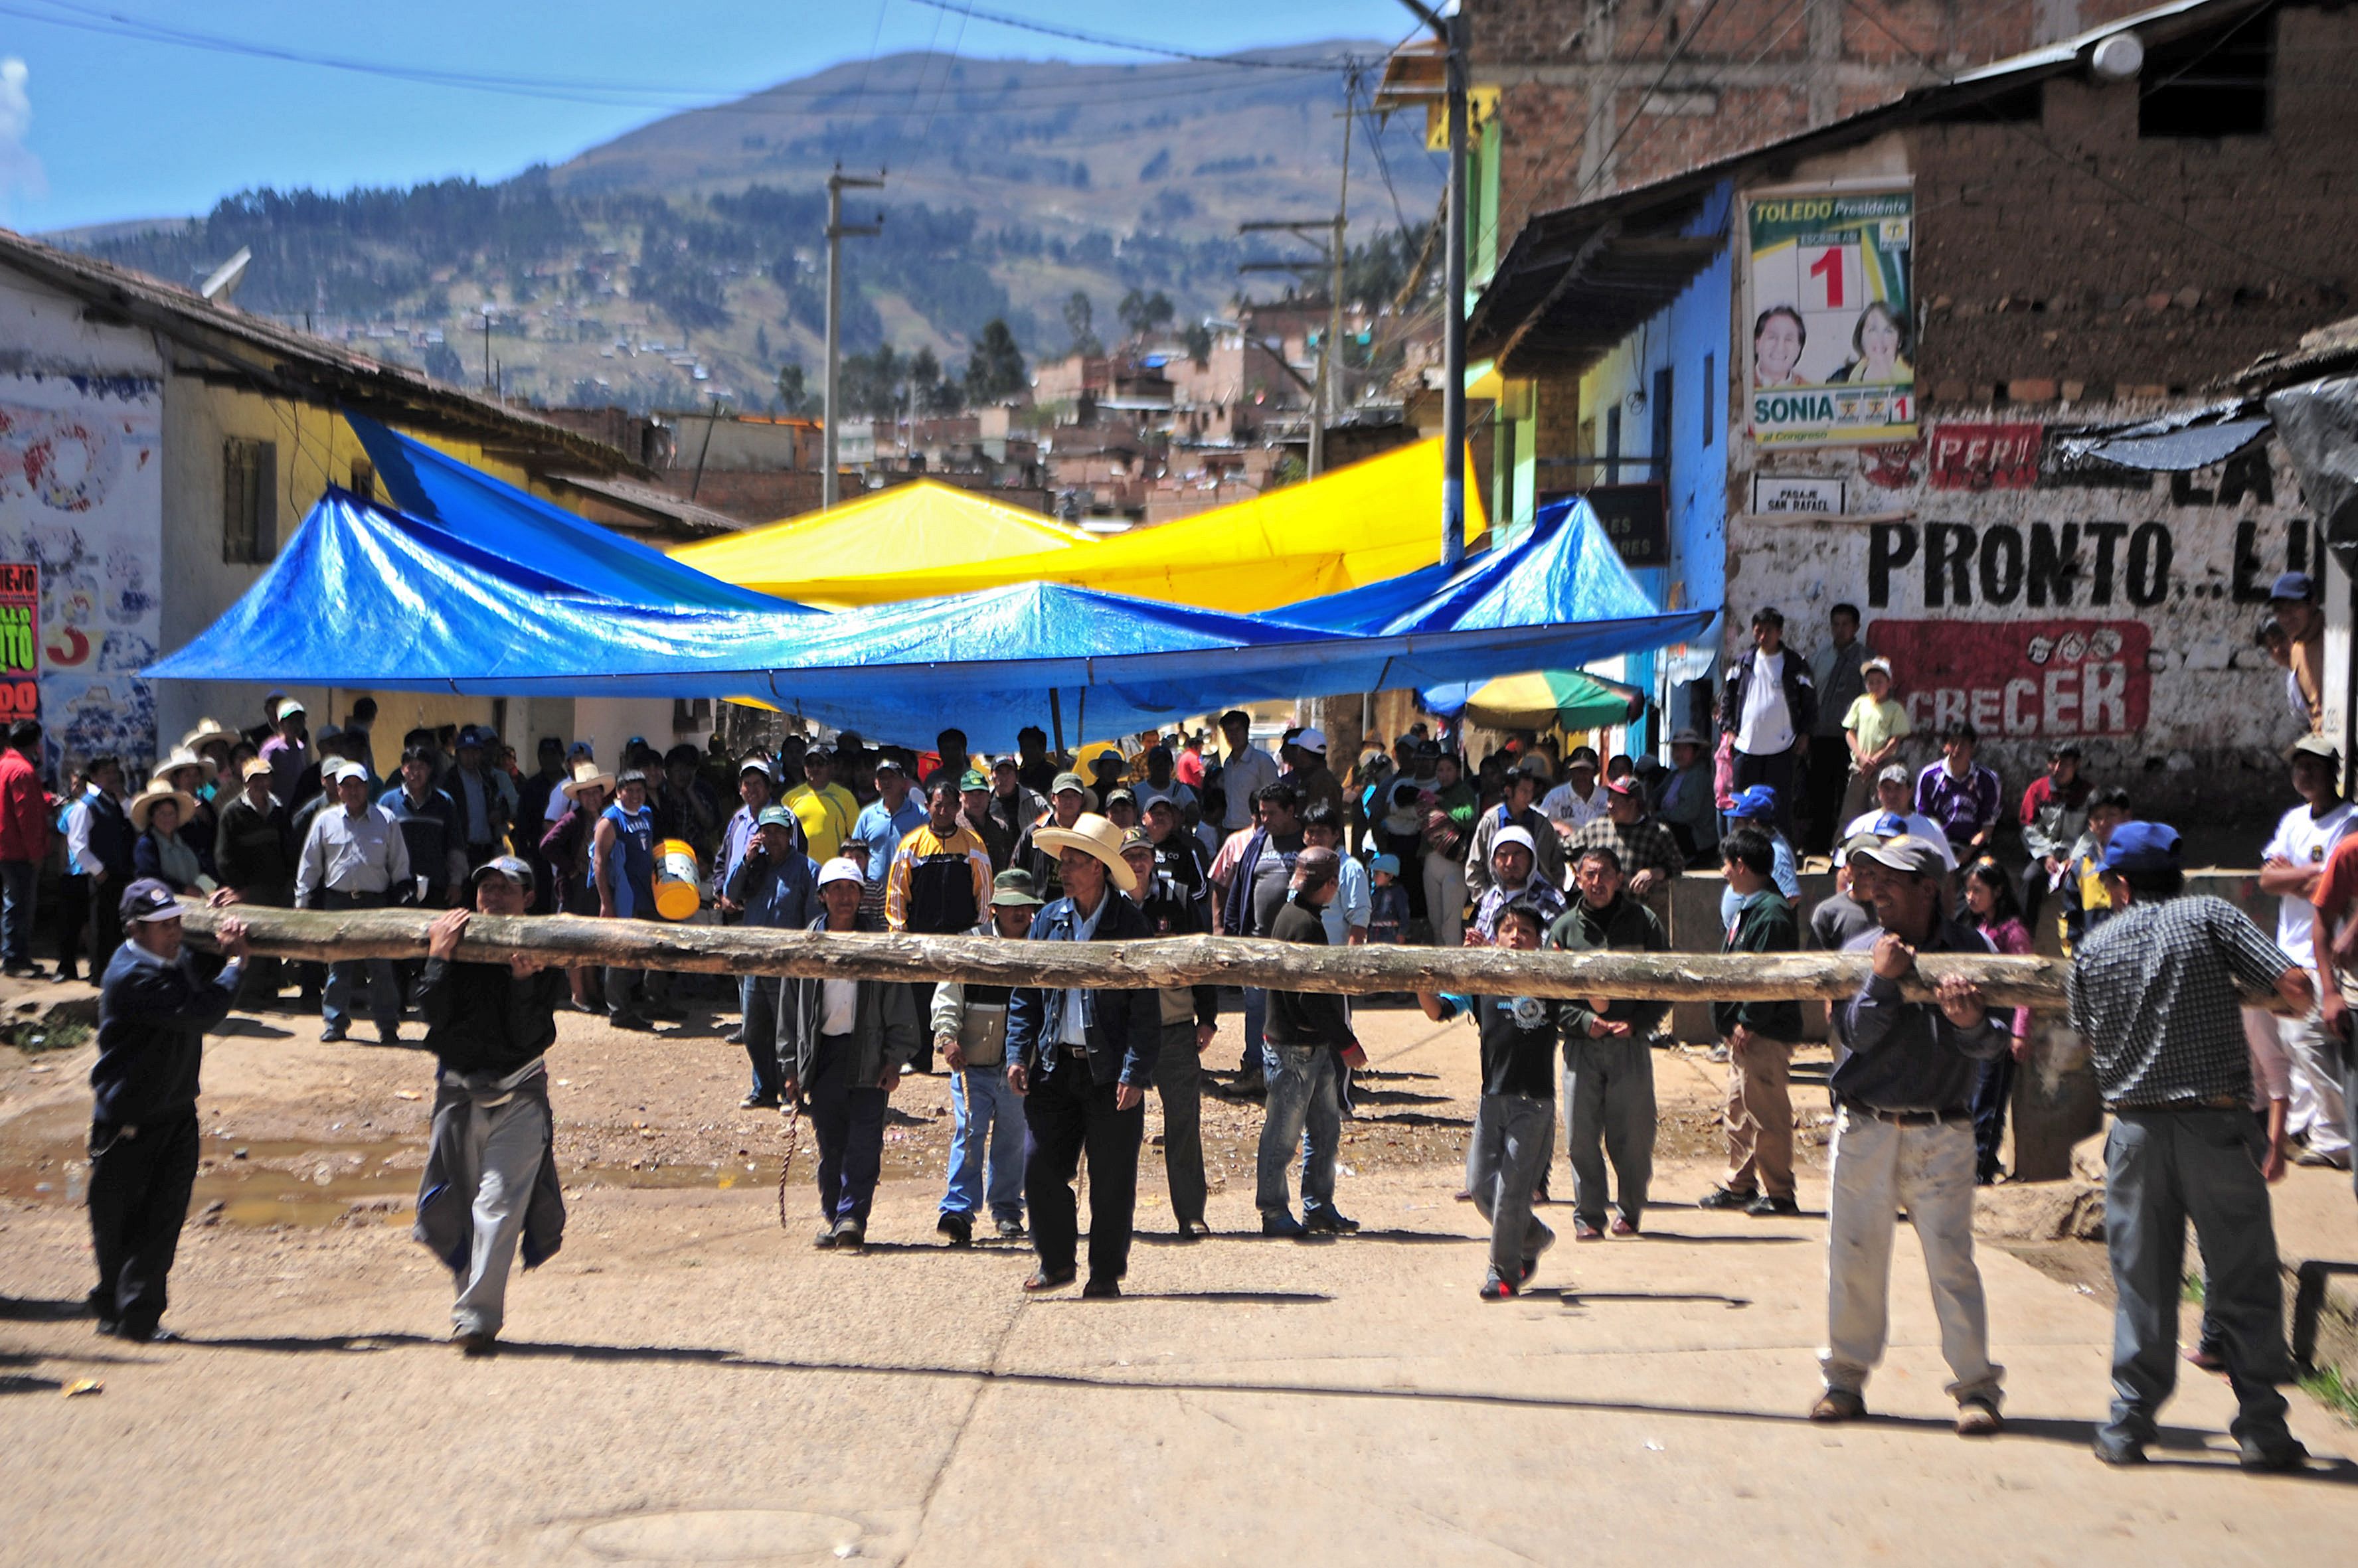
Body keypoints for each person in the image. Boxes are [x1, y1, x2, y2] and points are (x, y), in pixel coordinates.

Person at [2066, 821, 2313, 1470]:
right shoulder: (2208, 914)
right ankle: (2260, 1425)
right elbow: (2290, 984)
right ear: (2173, 874)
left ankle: (2128, 1422)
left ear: (2119, 886)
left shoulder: (2093, 946)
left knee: (2141, 1280)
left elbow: (2086, 1037)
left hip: (2133, 1131)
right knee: (2240, 1275)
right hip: (2215, 1121)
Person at [1813, 835, 2009, 1435]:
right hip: (1866, 1122)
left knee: (1951, 1261)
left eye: (1893, 880)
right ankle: (1844, 1380)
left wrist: (1971, 1021)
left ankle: (1975, 1388)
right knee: (1853, 1257)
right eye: (1873, 879)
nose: (1878, 890)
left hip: (1940, 1127)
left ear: (1929, 889)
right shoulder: (1859, 950)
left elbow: (1993, 1044)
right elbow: (1855, 1035)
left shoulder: (1972, 951)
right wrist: (1880, 983)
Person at [410, 857, 568, 1355]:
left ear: (529, 898)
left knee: (496, 1205)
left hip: (519, 1095)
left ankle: (476, 1318)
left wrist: (523, 984)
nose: (493, 898)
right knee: (458, 1209)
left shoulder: (546, 955)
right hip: (457, 1094)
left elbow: (529, 1036)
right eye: (486, 888)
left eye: (505, 889)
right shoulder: (451, 941)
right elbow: (430, 1014)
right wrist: (438, 958)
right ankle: (469, 1307)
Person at [86, 880, 250, 1340]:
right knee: (119, 1219)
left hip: (175, 1110)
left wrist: (221, 923)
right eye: (163, 926)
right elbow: (199, 1010)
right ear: (135, 930)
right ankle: (117, 1311)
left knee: (161, 1220)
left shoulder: (163, 958)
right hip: (129, 1120)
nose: (175, 932)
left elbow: (194, 973)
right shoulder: (131, 974)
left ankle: (134, 1316)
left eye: (178, 921)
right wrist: (237, 962)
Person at [1005, 815, 1161, 1296]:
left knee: (1112, 1178)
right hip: (1054, 1065)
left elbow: (1144, 1010)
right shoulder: (1049, 920)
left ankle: (1104, 1273)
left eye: (1073, 863)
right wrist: (1017, 1051)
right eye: (1063, 863)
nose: (1063, 872)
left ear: (1098, 868)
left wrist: (1135, 1072)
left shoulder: (1128, 925)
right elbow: (1025, 994)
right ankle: (1055, 1262)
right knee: (1039, 1167)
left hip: (1110, 1071)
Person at [1418, 900, 1568, 1298]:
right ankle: (1533, 1238)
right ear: (1495, 937)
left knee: (1512, 1192)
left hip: (1535, 1103)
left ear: (1539, 942)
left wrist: (1568, 967)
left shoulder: (1551, 982)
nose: (1516, 937)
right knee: (1481, 1187)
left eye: (1526, 932)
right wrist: (1420, 980)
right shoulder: (1482, 981)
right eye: (1508, 930)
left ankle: (1501, 1273)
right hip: (1492, 1099)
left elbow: (1597, 1003)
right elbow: (1437, 1010)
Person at [781, 858, 920, 1252]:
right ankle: (836, 1214)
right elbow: (789, 1011)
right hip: (822, 1054)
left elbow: (899, 1004)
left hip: (869, 1053)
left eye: (852, 889)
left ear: (862, 896)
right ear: (822, 896)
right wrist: (790, 1066)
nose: (844, 897)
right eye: (836, 889)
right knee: (830, 1142)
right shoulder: (805, 944)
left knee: (864, 1141)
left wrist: (895, 1059)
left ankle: (852, 1218)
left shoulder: (879, 945)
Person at [1547, 844, 1671, 1239]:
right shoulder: (1564, 929)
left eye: (1604, 874)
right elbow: (1549, 994)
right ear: (1578, 878)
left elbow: (1665, 984)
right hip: (1581, 1048)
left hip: (1629, 1046)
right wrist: (1583, 1021)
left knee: (1633, 1136)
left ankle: (1631, 1211)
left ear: (1619, 879)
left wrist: (1637, 1024)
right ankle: (1588, 1216)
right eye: (1589, 874)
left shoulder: (1644, 922)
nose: (1596, 882)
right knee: (1580, 1137)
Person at [2256, 734, 2355, 1169]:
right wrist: (2317, 872)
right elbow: (2266, 881)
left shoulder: (2349, 821)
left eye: (2313, 765)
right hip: (2287, 947)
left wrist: (2295, 877)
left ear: (2333, 771)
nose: (2304, 773)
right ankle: (2307, 1130)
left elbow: (2333, 889)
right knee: (2289, 1043)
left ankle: (2336, 1138)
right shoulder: (2293, 820)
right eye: (2298, 766)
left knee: (2311, 1041)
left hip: (2327, 950)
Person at [931, 868, 1043, 1245]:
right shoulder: (969, 944)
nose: (1020, 914)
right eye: (1013, 907)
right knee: (969, 1133)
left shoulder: (1043, 945)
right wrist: (947, 1037)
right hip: (972, 1064)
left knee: (1013, 1137)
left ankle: (1008, 1210)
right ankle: (958, 1211)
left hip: (1019, 1065)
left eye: (1026, 908)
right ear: (994, 909)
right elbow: (948, 995)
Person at [1258, 844, 1364, 1237]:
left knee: (1325, 1130)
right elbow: (1309, 999)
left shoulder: (1297, 916)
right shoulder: (1303, 924)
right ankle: (1273, 1211)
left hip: (1313, 1048)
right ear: (1331, 885)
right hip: (1294, 1049)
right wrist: (1347, 1043)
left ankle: (1318, 1206)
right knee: (1283, 1135)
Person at [1119, 828, 1216, 1239]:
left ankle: (1191, 1214)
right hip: (1124, 1036)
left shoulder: (1176, 898)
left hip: (1175, 1030)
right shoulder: (1109, 904)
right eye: (1130, 856)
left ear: (1153, 859)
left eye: (1144, 855)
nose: (1138, 863)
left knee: (1183, 1125)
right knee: (1120, 1129)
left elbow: (1201, 954)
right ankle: (1116, 1218)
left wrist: (1208, 1016)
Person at [1701, 826, 1802, 1216]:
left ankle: (1780, 1192)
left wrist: (1749, 1021)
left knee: (1767, 1113)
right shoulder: (1752, 906)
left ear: (1741, 866)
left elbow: (1769, 977)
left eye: (1727, 865)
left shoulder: (1772, 914)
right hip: (1743, 1035)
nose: (1725, 872)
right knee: (1739, 1110)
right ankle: (1740, 1183)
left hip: (1762, 1035)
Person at [295, 761, 411, 1046]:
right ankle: (335, 1023)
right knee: (338, 968)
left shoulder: (386, 819)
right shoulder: (325, 820)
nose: (353, 791)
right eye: (346, 785)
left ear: (367, 787)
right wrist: (303, 899)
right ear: (338, 789)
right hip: (338, 902)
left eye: (358, 785)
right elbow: (310, 863)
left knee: (381, 968)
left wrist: (404, 895)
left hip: (376, 902)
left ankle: (387, 1026)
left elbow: (399, 862)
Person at [886, 775, 994, 1075]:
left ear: (958, 806)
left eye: (949, 805)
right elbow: (897, 890)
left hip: (960, 937)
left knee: (959, 997)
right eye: (938, 805)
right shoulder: (911, 844)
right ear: (928, 806)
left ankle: (961, 1054)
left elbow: (984, 890)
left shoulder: (973, 844)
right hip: (921, 937)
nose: (944, 811)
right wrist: (899, 931)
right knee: (918, 999)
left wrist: (981, 930)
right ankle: (918, 1058)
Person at [726, 806, 819, 1108]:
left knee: (788, 1033)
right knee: (753, 1031)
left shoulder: (807, 869)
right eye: (768, 832)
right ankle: (763, 1089)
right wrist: (746, 861)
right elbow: (730, 894)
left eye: (780, 832)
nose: (773, 838)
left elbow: (814, 921)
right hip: (754, 964)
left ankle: (790, 1091)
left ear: (790, 835)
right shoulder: (755, 865)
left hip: (788, 966)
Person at [1216, 782, 1305, 1093]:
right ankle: (1255, 1071)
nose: (1265, 819)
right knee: (1256, 1012)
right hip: (1255, 944)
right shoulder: (1258, 842)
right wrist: (1229, 933)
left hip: (1297, 948)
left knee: (1295, 1011)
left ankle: (1292, 1077)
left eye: (1272, 813)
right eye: (1262, 813)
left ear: (1291, 811)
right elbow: (1238, 887)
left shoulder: (1308, 840)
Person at [1961, 858, 2035, 1184]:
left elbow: (2025, 986)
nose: (1971, 897)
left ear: (1998, 891)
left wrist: (2020, 1032)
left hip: (2002, 1029)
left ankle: (1982, 1166)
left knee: (1990, 1100)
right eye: (1968, 890)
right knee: (1974, 1096)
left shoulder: (2013, 933)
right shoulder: (1978, 929)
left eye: (1978, 890)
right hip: (1978, 1026)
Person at [1719, 605, 1815, 839]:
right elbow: (1727, 698)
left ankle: (1780, 856)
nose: (1763, 636)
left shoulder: (1795, 664)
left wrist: (1805, 733)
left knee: (1779, 806)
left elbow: (1810, 703)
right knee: (1742, 805)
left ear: (1780, 632)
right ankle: (1738, 853)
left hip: (1782, 748)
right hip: (1746, 746)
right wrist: (1728, 729)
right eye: (1759, 630)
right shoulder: (1741, 663)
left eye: (1769, 631)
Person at [592, 769, 677, 1032]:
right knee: (621, 952)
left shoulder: (646, 815)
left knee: (658, 947)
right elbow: (599, 863)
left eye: (641, 791)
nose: (636, 796)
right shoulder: (610, 820)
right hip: (624, 896)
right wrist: (606, 902)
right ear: (619, 792)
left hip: (648, 893)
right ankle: (619, 1010)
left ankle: (655, 1001)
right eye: (630, 791)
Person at [212, 757, 293, 1004]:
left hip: (277, 889)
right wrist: (240, 888)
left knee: (273, 941)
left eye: (264, 778)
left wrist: (288, 882)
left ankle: (271, 991)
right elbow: (224, 856)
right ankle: (250, 995)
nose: (260, 784)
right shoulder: (233, 813)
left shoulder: (277, 811)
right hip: (248, 891)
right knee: (253, 941)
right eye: (254, 779)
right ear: (245, 783)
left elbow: (288, 848)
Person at [1806, 603, 1869, 856]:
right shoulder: (1820, 658)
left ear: (1856, 627)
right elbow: (1810, 695)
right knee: (1819, 791)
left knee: (1847, 796)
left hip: (1852, 740)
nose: (1840, 630)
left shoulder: (1867, 659)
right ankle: (1818, 844)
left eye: (1846, 624)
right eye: (1836, 624)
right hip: (1821, 735)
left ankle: (1844, 846)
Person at [1567, 775, 1685, 900]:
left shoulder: (1656, 833)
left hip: (1634, 909)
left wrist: (1654, 873)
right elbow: (1565, 850)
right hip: (1597, 908)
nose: (1610, 806)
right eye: (1609, 799)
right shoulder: (1596, 828)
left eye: (1616, 801)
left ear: (1632, 804)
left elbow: (1677, 865)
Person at [70, 755, 135, 976]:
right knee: (101, 926)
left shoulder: (116, 801)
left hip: (122, 873)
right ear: (95, 777)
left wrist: (122, 797)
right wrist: (98, 870)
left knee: (119, 926)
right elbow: (78, 844)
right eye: (106, 773)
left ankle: (115, 972)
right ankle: (99, 974)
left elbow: (134, 821)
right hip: (103, 875)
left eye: (114, 772)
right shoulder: (87, 805)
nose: (112, 777)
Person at [1465, 760, 1563, 903]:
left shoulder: (1541, 824)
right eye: (1524, 791)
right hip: (1499, 899)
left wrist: (1553, 893)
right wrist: (1486, 899)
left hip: (1538, 900)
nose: (1529, 797)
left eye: (1531, 791)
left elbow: (1556, 863)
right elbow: (1475, 866)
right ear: (1508, 791)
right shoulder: (1491, 822)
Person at [382, 745, 467, 909]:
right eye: (410, 767)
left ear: (430, 770)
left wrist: (456, 882)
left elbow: (455, 844)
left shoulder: (444, 802)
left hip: (436, 884)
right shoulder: (388, 802)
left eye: (421, 767)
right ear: (402, 770)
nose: (415, 773)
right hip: (398, 885)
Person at [2017, 742, 2092, 928]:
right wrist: (2045, 855)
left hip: (2076, 856)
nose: (2058, 769)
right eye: (2054, 763)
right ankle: (2025, 935)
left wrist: (2075, 858)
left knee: (2086, 882)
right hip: (2046, 855)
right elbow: (2027, 826)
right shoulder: (2038, 790)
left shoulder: (2088, 793)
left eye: (2065, 764)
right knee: (2029, 878)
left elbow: (2093, 830)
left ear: (2077, 765)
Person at [2055, 788, 2134, 953]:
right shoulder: (2081, 869)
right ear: (2090, 824)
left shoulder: (2139, 864)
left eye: (2111, 815)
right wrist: (2077, 957)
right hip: (2096, 963)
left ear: (2127, 817)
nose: (2104, 823)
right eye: (2097, 818)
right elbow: (2070, 919)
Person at [0, 718, 47, 977]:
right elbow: (26, 817)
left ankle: (14, 956)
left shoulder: (5, 765)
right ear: (35, 743)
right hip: (19, 851)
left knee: (13, 902)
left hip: (6, 847)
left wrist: (48, 801)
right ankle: (14, 958)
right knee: (19, 905)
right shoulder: (23, 771)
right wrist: (36, 854)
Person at [1840, 658, 1910, 831]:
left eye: (1879, 681)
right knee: (1851, 809)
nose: (1875, 685)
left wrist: (1876, 760)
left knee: (1880, 808)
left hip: (1883, 767)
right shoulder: (1860, 703)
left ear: (1889, 683)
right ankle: (1844, 848)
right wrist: (1862, 757)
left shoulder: (1895, 708)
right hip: (1860, 766)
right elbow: (1850, 732)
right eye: (1871, 682)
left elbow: (1896, 739)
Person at [1914, 723, 2001, 861]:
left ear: (1972, 748)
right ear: (1945, 747)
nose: (1958, 750)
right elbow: (1924, 820)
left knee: (1988, 871)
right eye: (1953, 743)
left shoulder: (1987, 779)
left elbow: (1988, 826)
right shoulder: (1929, 776)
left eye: (1964, 745)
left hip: (1974, 846)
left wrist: (1969, 851)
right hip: (1938, 844)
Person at [713, 755, 782, 926]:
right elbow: (721, 860)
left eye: (757, 783)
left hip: (767, 913)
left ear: (769, 788)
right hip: (733, 914)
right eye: (747, 784)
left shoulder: (782, 819)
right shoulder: (738, 819)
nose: (751, 789)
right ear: (740, 789)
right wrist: (723, 896)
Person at [1845, 763, 1956, 870]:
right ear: (1879, 792)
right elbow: (1843, 871)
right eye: (1887, 788)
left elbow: (1948, 872)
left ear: (1910, 792)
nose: (1892, 795)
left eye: (1898, 788)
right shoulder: (1860, 826)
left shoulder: (1931, 829)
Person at [1468, 824, 1566, 943]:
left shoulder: (1550, 898)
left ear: (1531, 858)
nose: (1510, 863)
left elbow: (1549, 949)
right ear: (1494, 861)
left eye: (1518, 854)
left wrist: (1492, 949)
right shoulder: (1491, 897)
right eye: (1503, 855)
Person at [1717, 786, 1798, 928]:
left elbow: (1791, 898)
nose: (1734, 825)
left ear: (1754, 824)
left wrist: (1756, 925)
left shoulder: (1777, 853)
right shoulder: (1757, 847)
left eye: (1739, 821)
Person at [1420, 751, 1478, 948]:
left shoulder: (1465, 792)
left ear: (1458, 771)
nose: (1444, 775)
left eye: (1449, 770)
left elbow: (1469, 817)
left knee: (1450, 924)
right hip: (1431, 862)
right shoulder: (1435, 793)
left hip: (1454, 865)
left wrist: (1442, 803)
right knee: (1435, 921)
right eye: (1440, 770)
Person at [1015, 771, 1092, 907]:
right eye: (1063, 796)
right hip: (1040, 907)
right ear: (1053, 799)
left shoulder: (1090, 832)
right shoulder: (1035, 831)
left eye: (1074, 796)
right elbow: (1017, 871)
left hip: (1081, 906)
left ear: (1081, 800)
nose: (1068, 801)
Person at [1299, 801, 1368, 947]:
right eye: (1311, 832)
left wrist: (1349, 962)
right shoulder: (1302, 867)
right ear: (1304, 836)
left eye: (1323, 832)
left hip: (1334, 959)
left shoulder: (1350, 869)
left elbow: (1359, 921)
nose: (1315, 838)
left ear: (1336, 834)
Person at [447, 727, 513, 870]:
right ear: (458, 754)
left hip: (486, 850)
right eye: (466, 751)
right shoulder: (449, 782)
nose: (471, 756)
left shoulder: (488, 780)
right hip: (461, 851)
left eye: (475, 751)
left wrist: (500, 813)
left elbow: (504, 805)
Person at [783, 744, 859, 864]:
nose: (815, 768)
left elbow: (856, 838)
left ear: (832, 767)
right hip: (800, 869)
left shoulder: (845, 797)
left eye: (820, 763)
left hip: (833, 870)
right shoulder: (790, 798)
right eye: (810, 764)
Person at [1652, 729, 1720, 865]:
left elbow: (1687, 814)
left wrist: (1659, 816)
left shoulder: (1699, 776)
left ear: (1696, 752)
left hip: (1697, 840)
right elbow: (1655, 798)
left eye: (1685, 749)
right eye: (1676, 748)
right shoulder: (1673, 775)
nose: (1679, 753)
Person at [128, 784, 207, 894]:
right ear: (152, 817)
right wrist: (183, 889)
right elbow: (149, 879)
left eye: (171, 814)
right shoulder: (146, 844)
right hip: (164, 905)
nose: (167, 818)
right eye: (162, 814)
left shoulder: (186, 838)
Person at [2272, 570, 2324, 732]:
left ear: (2313, 604)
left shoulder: (2338, 639)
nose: (2286, 617)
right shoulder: (2296, 652)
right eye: (2279, 610)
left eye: (2294, 607)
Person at [1813, 837, 1883, 952]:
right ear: (1847, 869)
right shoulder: (1828, 912)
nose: (1865, 870)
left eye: (1871, 863)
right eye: (1858, 863)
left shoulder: (1893, 909)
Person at [1213, 709, 1278, 833]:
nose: (1233, 736)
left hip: (1255, 829)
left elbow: (1275, 798)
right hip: (1229, 829)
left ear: (1246, 731)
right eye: (1229, 731)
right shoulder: (1228, 763)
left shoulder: (1262, 761)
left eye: (1237, 730)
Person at [1830, 299, 1912, 384]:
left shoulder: (1913, 380)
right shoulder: (1839, 379)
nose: (1880, 339)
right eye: (1873, 330)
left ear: (1900, 340)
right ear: (1861, 337)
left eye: (1888, 331)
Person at [985, 757, 1046, 860]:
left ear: (1016, 776)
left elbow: (1050, 822)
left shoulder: (1033, 801)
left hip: (1026, 858)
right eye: (1000, 772)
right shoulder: (985, 799)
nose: (1004, 778)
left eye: (1008, 772)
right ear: (992, 776)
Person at [956, 769, 1014, 872]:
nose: (976, 799)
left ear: (988, 796)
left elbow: (1010, 863)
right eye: (970, 794)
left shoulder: (1000, 827)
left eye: (980, 793)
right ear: (961, 796)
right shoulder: (954, 826)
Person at [1538, 746, 1608, 831]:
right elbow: (1540, 823)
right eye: (1577, 770)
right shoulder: (1555, 796)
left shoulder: (1606, 798)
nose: (1582, 775)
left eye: (1586, 770)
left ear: (1596, 771)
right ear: (1571, 771)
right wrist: (1559, 827)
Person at [259, 697, 310, 807]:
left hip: (296, 809)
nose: (296, 725)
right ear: (280, 724)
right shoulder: (272, 750)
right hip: (275, 810)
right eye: (291, 721)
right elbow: (261, 781)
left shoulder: (301, 748)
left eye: (300, 720)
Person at [1753, 304, 1807, 387]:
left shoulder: (1809, 390)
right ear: (1757, 344)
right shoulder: (1740, 383)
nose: (1780, 347)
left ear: (1799, 349)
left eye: (1788, 339)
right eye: (1772, 337)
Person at [1367, 853, 1409, 946]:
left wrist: (1402, 933)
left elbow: (1404, 913)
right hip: (1374, 933)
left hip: (1390, 934)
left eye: (1377, 873)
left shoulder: (1398, 892)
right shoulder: (1375, 893)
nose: (1374, 877)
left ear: (1389, 876)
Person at [1013, 724, 1057, 799]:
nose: (1027, 752)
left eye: (1031, 747)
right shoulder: (1019, 775)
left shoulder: (1052, 773)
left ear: (1043, 748)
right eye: (1024, 747)